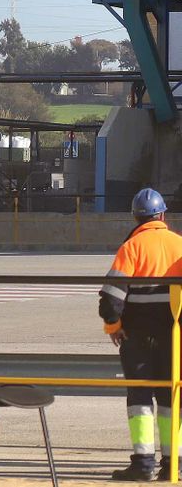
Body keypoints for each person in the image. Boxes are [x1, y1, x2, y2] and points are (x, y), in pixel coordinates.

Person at [101, 188, 182, 482]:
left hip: (135, 337)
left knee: (139, 398)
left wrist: (113, 327)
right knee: (172, 396)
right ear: (162, 216)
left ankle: (143, 464)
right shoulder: (179, 245)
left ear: (137, 217)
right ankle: (174, 463)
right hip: (174, 336)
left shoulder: (131, 247)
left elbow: (110, 298)